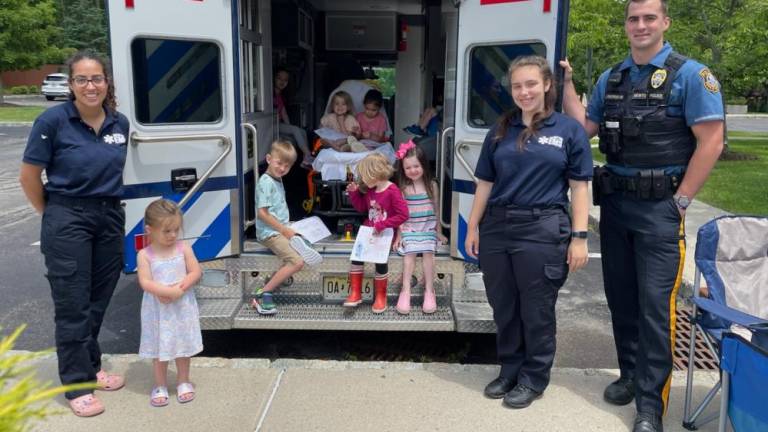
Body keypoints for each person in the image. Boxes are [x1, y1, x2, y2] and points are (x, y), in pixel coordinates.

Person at [560, 1, 724, 430]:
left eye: (650, 17)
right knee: (622, 298)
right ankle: (631, 376)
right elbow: (583, 129)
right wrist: (567, 83)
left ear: (665, 22)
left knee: (656, 307)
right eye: (634, 18)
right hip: (615, 205)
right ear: (627, 26)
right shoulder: (610, 78)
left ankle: (651, 405)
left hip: (661, 211)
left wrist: (683, 200)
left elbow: (712, 141)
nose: (641, 25)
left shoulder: (691, 75)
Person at [464, 55, 591, 410]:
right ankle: (510, 369)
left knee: (536, 308)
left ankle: (534, 377)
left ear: (547, 85)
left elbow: (580, 187)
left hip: (542, 228)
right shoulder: (501, 129)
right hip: (498, 227)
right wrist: (473, 226)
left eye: (531, 84)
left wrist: (579, 237)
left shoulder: (568, 130)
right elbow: (485, 183)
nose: (524, 92)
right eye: (517, 85)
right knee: (503, 304)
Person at [19, 50, 130, 417]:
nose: (90, 86)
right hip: (68, 216)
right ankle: (76, 384)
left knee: (98, 299)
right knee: (72, 305)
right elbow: (29, 177)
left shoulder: (119, 123)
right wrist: (53, 215)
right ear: (70, 85)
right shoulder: (52, 121)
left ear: (106, 81)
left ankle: (92, 367)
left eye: (96, 78)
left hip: (109, 217)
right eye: (81, 79)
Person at [136, 199, 203, 407]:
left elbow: (195, 271)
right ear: (150, 230)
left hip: (181, 305)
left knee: (182, 345)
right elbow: (145, 281)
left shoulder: (183, 248)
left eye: (176, 230)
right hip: (158, 309)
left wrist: (178, 290)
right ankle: (160, 384)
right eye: (167, 231)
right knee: (160, 348)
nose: (173, 235)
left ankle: (183, 380)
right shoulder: (145, 255)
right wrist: (164, 291)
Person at [251, 140, 320, 314]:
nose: (282, 168)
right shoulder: (266, 182)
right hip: (270, 233)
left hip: (280, 227)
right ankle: (263, 293)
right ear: (268, 159)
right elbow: (262, 214)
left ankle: (299, 242)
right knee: (297, 262)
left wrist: (288, 228)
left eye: (287, 166)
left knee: (304, 233)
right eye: (279, 163)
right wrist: (284, 230)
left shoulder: (277, 179)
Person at [344, 153, 409, 313]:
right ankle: (355, 293)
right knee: (356, 258)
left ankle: (381, 297)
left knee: (380, 262)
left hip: (385, 233)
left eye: (364, 176)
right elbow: (362, 209)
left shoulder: (392, 190)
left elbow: (403, 215)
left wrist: (383, 225)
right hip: (369, 231)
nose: (362, 180)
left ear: (373, 173)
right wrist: (354, 193)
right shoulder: (370, 190)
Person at [392, 141, 447, 314]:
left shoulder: (432, 185)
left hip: (427, 229)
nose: (413, 170)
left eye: (416, 166)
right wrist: (399, 235)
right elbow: (400, 214)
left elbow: (436, 210)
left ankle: (429, 290)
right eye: (408, 168)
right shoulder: (403, 188)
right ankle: (405, 290)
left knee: (429, 253)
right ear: (403, 169)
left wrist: (439, 232)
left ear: (423, 165)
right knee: (410, 255)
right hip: (410, 228)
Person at [274, 68, 313, 168]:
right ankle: (308, 155)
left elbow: (284, 113)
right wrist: (291, 129)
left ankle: (306, 159)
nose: (282, 82)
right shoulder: (270, 94)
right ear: (273, 78)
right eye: (279, 78)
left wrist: (289, 127)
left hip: (279, 124)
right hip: (272, 125)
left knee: (302, 132)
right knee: (295, 130)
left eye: (285, 80)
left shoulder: (280, 95)